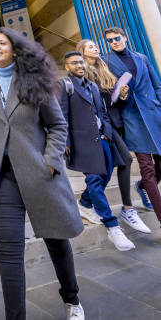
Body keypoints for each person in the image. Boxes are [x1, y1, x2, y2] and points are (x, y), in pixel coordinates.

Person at [0, 27, 85, 320]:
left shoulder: (33, 80)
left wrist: (50, 161)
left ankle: (71, 299)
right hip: (2, 176)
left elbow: (58, 126)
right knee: (8, 253)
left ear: (16, 49)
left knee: (56, 240)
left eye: (2, 42)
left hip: (38, 173)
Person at [61, 52, 135, 251]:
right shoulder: (65, 86)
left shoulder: (93, 86)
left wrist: (107, 134)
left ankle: (85, 202)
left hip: (102, 138)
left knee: (104, 175)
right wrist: (67, 141)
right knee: (94, 179)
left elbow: (102, 112)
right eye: (74, 63)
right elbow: (62, 116)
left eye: (81, 62)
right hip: (81, 140)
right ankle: (112, 226)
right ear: (67, 67)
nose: (79, 65)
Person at [76, 39, 150, 234]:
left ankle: (86, 202)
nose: (95, 48)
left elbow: (111, 99)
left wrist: (121, 93)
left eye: (95, 45)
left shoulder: (104, 68)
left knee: (111, 167)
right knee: (121, 161)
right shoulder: (82, 73)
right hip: (100, 126)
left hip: (115, 122)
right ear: (82, 52)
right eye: (90, 46)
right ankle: (126, 208)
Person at [102, 26, 161, 227]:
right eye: (109, 40)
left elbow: (157, 85)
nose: (114, 42)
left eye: (116, 38)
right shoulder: (106, 62)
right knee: (147, 168)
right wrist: (121, 95)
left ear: (124, 37)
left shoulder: (142, 58)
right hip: (132, 118)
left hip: (154, 116)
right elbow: (108, 94)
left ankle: (142, 186)